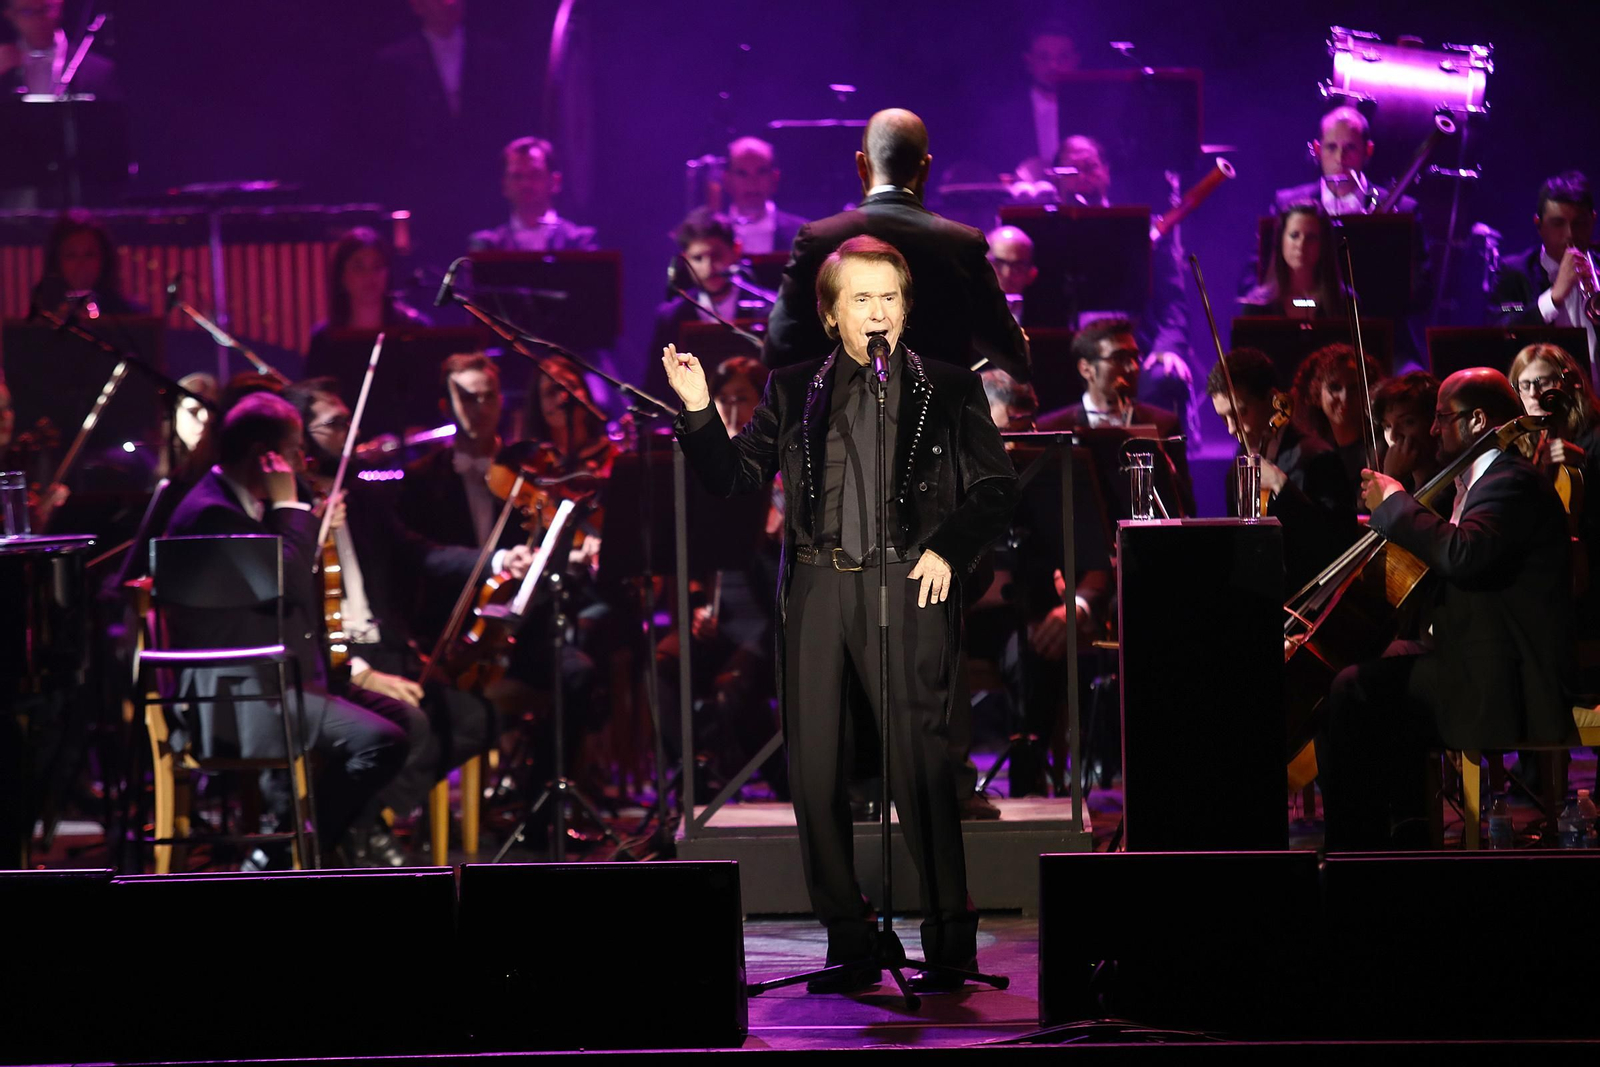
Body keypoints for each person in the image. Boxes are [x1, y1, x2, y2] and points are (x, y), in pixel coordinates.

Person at [662, 235, 1017, 993]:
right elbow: (736, 476)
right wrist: (697, 411)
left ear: (906, 308)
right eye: (861, 298)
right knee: (816, 765)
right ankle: (850, 939)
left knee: (920, 763)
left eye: (889, 297)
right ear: (831, 315)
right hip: (820, 587)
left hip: (907, 581)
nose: (877, 311)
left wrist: (948, 548)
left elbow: (995, 488)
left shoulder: (949, 387)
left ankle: (950, 939)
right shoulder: (794, 388)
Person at [1320, 369, 1576, 850]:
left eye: (1442, 417)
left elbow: (1462, 554)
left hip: (1503, 678)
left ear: (1477, 420)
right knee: (1358, 678)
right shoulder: (1479, 482)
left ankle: (1359, 853)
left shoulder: (1510, 481)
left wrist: (1396, 502)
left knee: (1355, 691)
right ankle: (1401, 834)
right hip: (1473, 658)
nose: (1434, 429)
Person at [279, 377, 531, 862]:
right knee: (407, 722)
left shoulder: (361, 495)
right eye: (335, 424)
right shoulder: (289, 507)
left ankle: (362, 819)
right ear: (303, 435)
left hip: (382, 646)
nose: (350, 431)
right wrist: (310, 528)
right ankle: (355, 829)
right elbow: (290, 604)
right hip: (330, 659)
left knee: (475, 717)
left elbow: (419, 553)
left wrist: (497, 561)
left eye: (349, 420)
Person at [161, 392, 413, 865]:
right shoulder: (213, 514)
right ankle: (285, 852)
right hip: (235, 700)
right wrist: (290, 507)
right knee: (380, 741)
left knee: (406, 720)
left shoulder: (236, 505)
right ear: (266, 456)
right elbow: (291, 586)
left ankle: (309, 841)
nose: (302, 463)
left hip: (274, 681)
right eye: (295, 451)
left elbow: (281, 579)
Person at [763, 108, 1029, 383]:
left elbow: (778, 351)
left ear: (861, 164)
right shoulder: (962, 244)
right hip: (937, 411)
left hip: (842, 410)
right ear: (925, 168)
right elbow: (1016, 360)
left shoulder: (817, 239)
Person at [1206, 348, 1356, 588]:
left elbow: (1338, 546)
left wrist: (1281, 485)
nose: (1232, 429)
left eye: (1240, 412)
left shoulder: (1318, 457)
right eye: (1224, 418)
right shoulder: (1240, 464)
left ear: (1273, 399)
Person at [1036, 318, 1197, 516]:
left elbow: (1186, 505)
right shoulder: (1051, 429)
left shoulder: (1164, 425)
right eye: (1119, 358)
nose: (1133, 367)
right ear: (1086, 369)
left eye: (1135, 357)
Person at [646, 209, 768, 401]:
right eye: (697, 258)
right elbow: (656, 386)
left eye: (716, 255)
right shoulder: (672, 316)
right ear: (685, 259)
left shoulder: (766, 309)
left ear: (736, 250)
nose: (708, 267)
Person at [305, 228, 431, 408]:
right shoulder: (324, 339)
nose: (369, 275)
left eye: (377, 266)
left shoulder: (415, 329)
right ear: (342, 275)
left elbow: (426, 396)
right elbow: (314, 403)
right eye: (359, 267)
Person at [1489, 171, 1597, 370]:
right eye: (1558, 224)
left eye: (1580, 223)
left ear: (1593, 220)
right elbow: (1500, 331)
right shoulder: (1514, 272)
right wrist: (1553, 298)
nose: (1570, 234)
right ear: (1539, 225)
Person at [468, 137, 599, 253]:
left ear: (555, 182)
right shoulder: (487, 247)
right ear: (504, 185)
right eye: (517, 176)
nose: (526, 184)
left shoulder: (579, 243)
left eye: (535, 174)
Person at [1289, 343, 1385, 489]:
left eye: (1354, 387)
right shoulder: (1315, 452)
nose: (1345, 397)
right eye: (1334, 387)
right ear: (1316, 395)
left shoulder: (1381, 447)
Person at [1239, 203, 1350, 320]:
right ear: (1281, 241)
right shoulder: (1257, 306)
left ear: (1324, 244)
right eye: (1294, 235)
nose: (1301, 245)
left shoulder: (1346, 303)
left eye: (1311, 237)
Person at [30, 210, 143, 318]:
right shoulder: (43, 316)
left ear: (104, 259)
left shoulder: (128, 318)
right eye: (71, 255)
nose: (81, 264)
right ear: (56, 261)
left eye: (89, 255)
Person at [0, 0, 118, 97]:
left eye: (47, 9)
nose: (38, 19)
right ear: (9, 14)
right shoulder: (3, 65)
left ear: (60, 7)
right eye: (27, 11)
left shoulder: (97, 69)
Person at [722, 136, 807, 255]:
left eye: (761, 172)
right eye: (742, 173)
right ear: (727, 180)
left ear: (774, 178)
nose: (752, 182)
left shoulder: (804, 235)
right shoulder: (708, 234)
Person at [1372, 371, 1442, 492]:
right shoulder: (1407, 485)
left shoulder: (1452, 485)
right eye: (1387, 426)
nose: (1393, 436)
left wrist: (1391, 480)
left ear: (1433, 422)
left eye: (1407, 422)